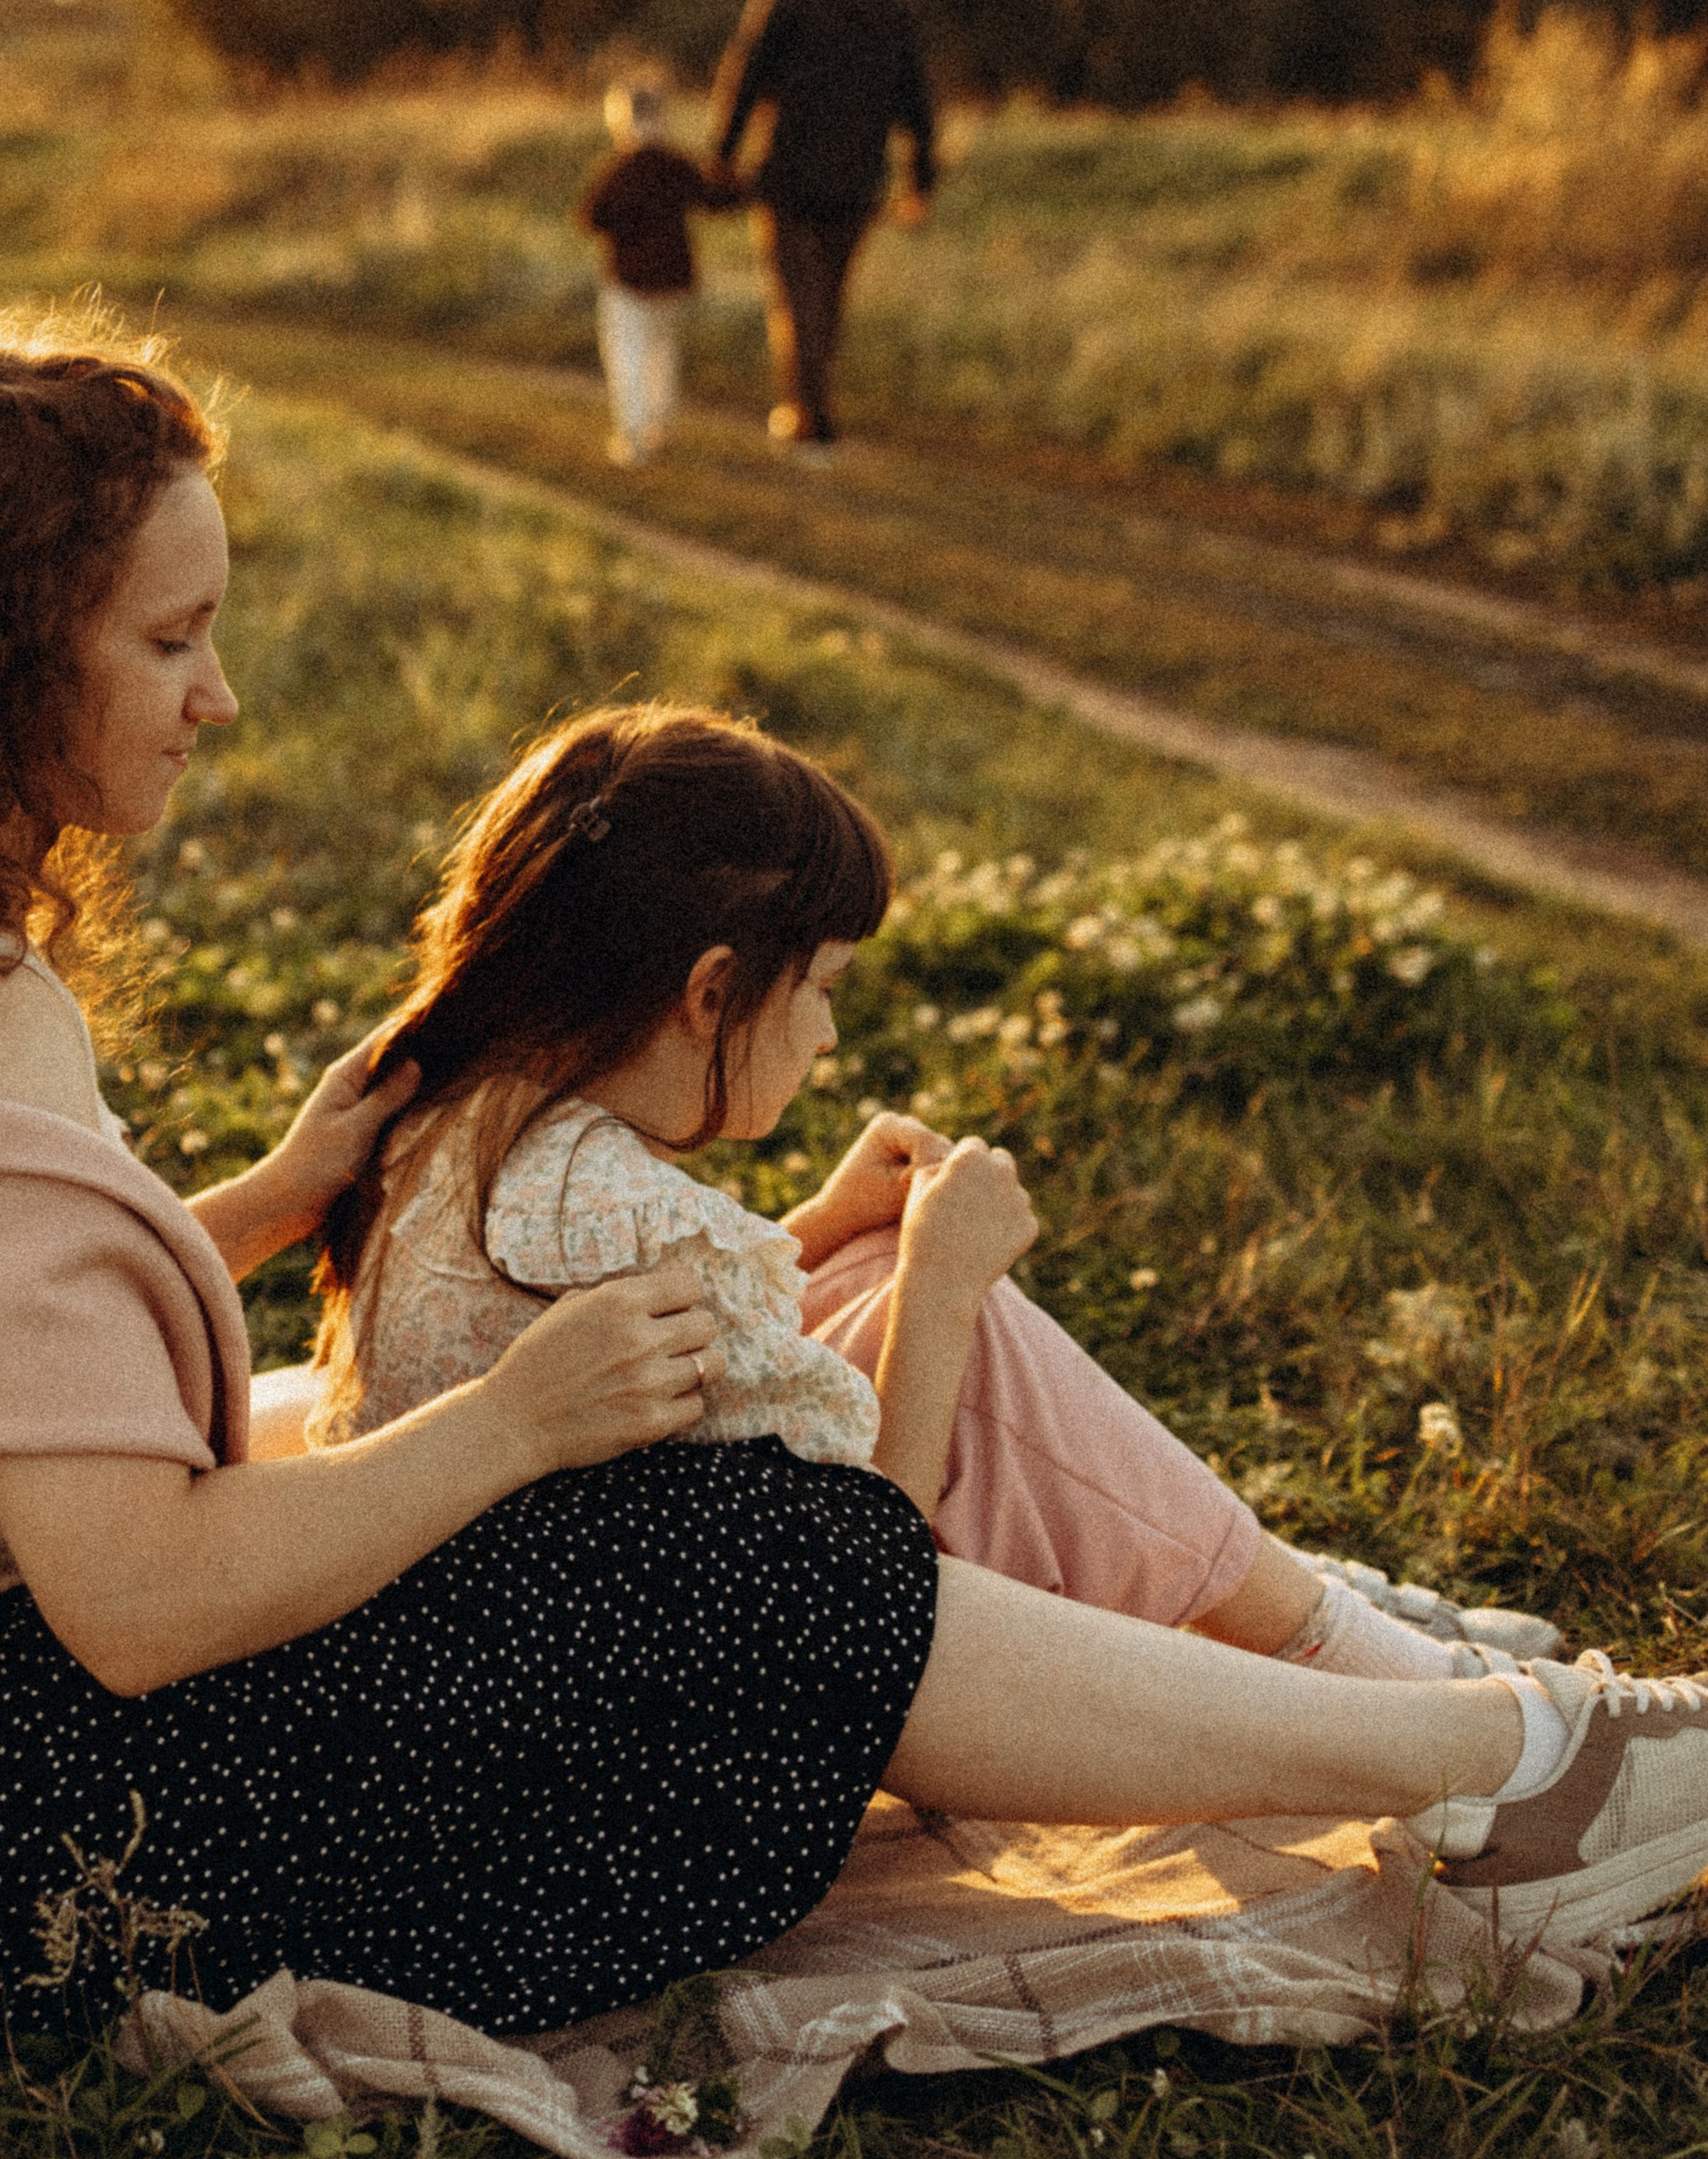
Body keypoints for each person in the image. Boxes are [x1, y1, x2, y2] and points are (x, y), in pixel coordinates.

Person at [0, 331, 1708, 2058]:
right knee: (755, 1570)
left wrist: (253, 1204)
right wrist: (518, 1418)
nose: (219, 696)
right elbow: (139, 1604)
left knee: (710, 1553)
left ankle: (1478, 1743)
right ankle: (1494, 1762)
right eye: (167, 640)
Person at [310, 705, 1553, 1685]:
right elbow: (867, 1578)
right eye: (828, 988)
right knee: (964, 1336)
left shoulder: (449, 1114)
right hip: (659, 1734)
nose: (832, 1038)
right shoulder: (631, 1203)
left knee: (859, 1275)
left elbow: (658, 1362)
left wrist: (828, 1231)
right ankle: (1339, 1640)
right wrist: (950, 1286)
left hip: (517, 1644)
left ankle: (1283, 1601)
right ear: (709, 993)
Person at [707, 0, 933, 452]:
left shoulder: (787, 1)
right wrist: (918, 183)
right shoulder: (892, 12)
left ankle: (810, 412)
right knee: (829, 297)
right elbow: (920, 109)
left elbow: (745, 79)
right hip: (858, 183)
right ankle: (815, 401)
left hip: (788, 177)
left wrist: (722, 156)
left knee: (794, 297)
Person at [573, 79, 743, 466]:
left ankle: (632, 437)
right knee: (661, 350)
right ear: (662, 118)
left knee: (627, 354)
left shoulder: (619, 169)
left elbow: (590, 217)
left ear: (620, 120)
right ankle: (659, 425)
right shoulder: (677, 164)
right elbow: (716, 198)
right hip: (673, 278)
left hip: (628, 280)